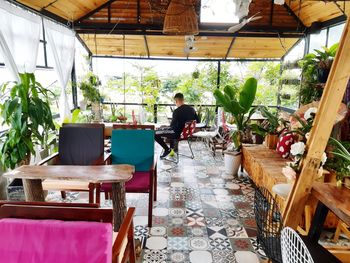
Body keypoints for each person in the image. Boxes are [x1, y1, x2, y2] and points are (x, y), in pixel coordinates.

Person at [155, 93, 199, 158]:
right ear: (183, 99)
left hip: (176, 134)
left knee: (155, 133)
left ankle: (167, 150)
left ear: (176, 101)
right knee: (167, 130)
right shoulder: (192, 109)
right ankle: (172, 151)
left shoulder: (176, 111)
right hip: (185, 133)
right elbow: (198, 121)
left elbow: (172, 126)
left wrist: (164, 127)